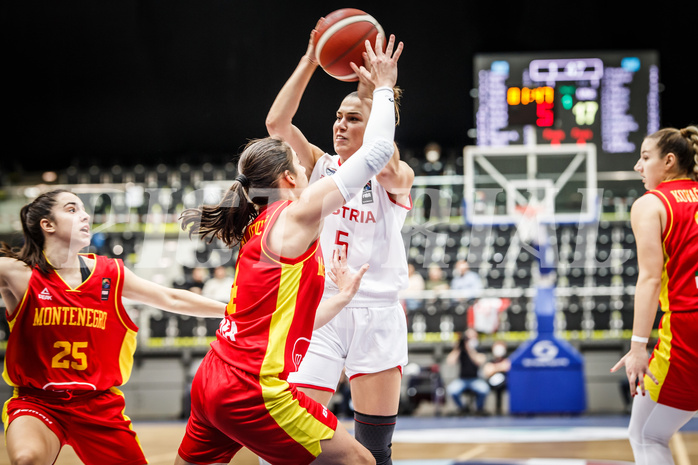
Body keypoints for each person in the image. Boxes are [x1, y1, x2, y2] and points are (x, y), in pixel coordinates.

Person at [174, 33, 403, 465]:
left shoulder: (255, 225)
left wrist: (344, 297)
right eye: (299, 166)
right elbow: (375, 152)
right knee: (359, 461)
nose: (305, 167)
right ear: (290, 180)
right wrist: (386, 84)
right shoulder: (297, 215)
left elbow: (293, 315)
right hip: (251, 386)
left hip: (213, 376)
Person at [265, 24, 414, 465]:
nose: (339, 124)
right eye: (337, 116)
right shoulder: (318, 164)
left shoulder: (396, 176)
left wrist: (378, 88)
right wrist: (312, 58)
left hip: (378, 314)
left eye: (353, 118)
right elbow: (277, 123)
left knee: (374, 451)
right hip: (321, 311)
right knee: (297, 438)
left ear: (375, 127)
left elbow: (383, 156)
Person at [0, 189, 226, 465]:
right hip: (38, 401)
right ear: (47, 224)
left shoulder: (110, 273)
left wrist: (232, 311)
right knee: (27, 458)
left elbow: (171, 297)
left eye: (84, 209)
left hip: (97, 404)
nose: (84, 216)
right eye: (72, 209)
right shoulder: (18, 274)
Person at [610, 125, 698, 465]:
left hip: (687, 325)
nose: (638, 166)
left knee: (649, 436)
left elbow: (648, 279)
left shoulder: (652, 204)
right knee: (644, 432)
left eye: (645, 157)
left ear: (669, 162)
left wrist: (637, 347)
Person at [445, 328, 490, 416]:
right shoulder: (461, 350)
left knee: (484, 389)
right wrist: (458, 347)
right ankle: (462, 408)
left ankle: (479, 409)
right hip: (462, 380)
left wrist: (470, 349)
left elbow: (479, 361)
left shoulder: (479, 349)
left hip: (475, 379)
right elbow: (450, 361)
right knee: (452, 390)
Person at [481, 340, 511, 415]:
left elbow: (508, 367)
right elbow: (487, 371)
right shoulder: (490, 361)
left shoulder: (509, 359)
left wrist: (494, 368)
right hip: (492, 383)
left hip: (505, 383)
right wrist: (501, 366)